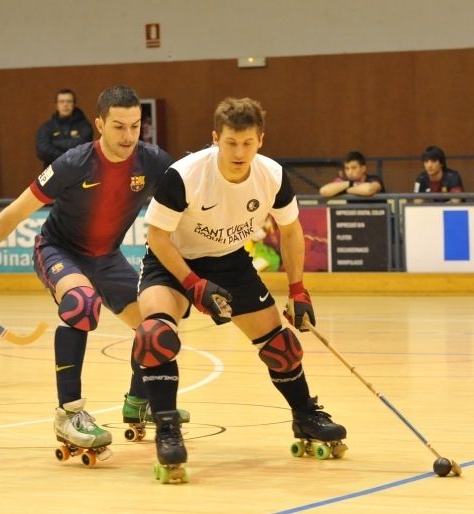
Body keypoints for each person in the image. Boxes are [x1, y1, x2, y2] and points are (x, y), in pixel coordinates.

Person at [0, 85, 183, 459]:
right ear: (99, 124)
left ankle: (140, 402)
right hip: (59, 250)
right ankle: (69, 413)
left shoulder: (153, 162)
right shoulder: (73, 163)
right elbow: (18, 211)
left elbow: (191, 200)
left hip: (107, 257)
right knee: (81, 304)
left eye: (135, 126)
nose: (128, 136)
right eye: (119, 126)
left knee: (155, 326)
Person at [132, 97, 346, 473]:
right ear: (216, 138)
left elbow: (291, 231)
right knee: (154, 335)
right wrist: (193, 284)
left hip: (230, 261)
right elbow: (158, 238)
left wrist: (297, 290)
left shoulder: (273, 176)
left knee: (282, 347)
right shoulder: (184, 175)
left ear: (260, 140)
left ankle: (305, 415)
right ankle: (167, 428)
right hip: (172, 263)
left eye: (247, 143)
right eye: (231, 143)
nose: (239, 152)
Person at [35, 88, 94, 169]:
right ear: (56, 105)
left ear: (74, 104)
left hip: (78, 172)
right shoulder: (47, 127)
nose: (65, 105)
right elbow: (43, 151)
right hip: (53, 172)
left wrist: (55, 143)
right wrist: (66, 159)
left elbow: (83, 147)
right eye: (62, 101)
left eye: (69, 101)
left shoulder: (84, 126)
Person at [319, 150, 385, 201]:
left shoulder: (374, 179)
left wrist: (349, 190)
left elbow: (369, 189)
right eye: (347, 168)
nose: (350, 172)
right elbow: (323, 191)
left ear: (363, 169)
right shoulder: (346, 183)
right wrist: (349, 184)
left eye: (354, 168)